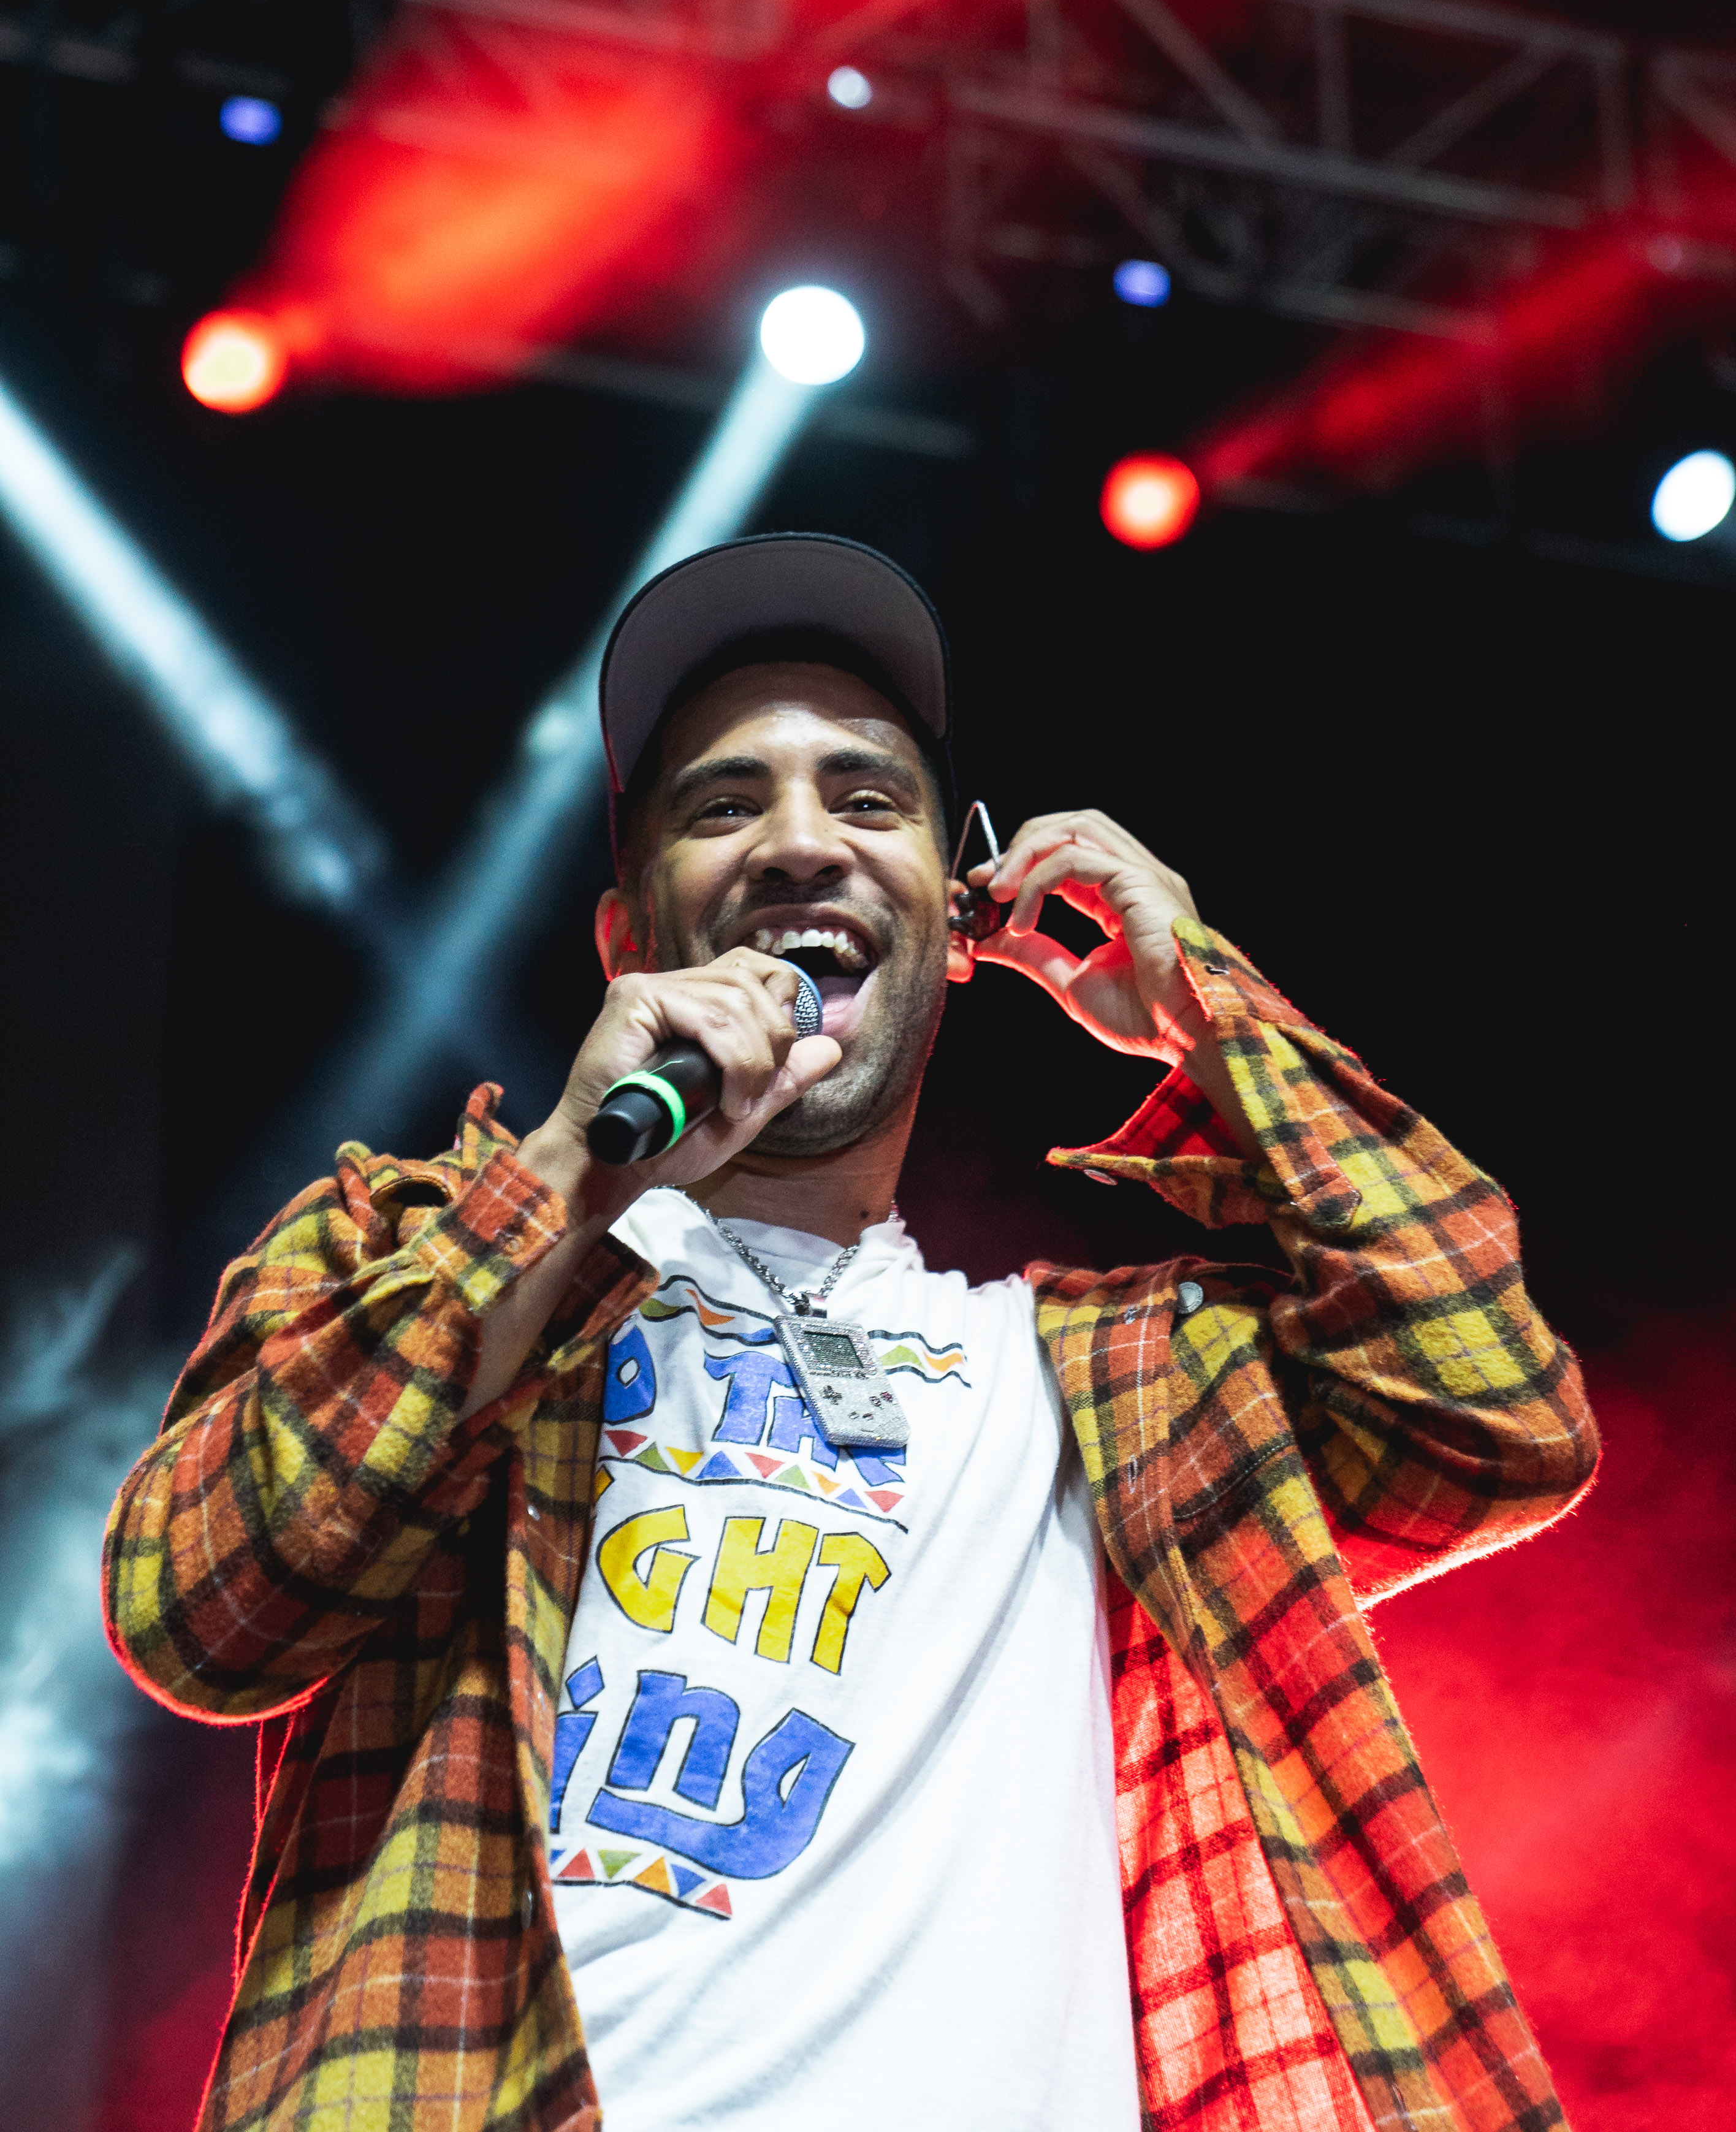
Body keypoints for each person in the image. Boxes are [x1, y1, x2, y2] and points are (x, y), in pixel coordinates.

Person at [105, 531, 1597, 2132]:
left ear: (958, 927)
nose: (802, 843)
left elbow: (1495, 1418)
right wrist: (568, 1179)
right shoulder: (409, 1257)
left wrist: (1212, 1016)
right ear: (628, 944)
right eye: (723, 807)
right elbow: (201, 1614)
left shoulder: (1105, 1394)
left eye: (868, 799)